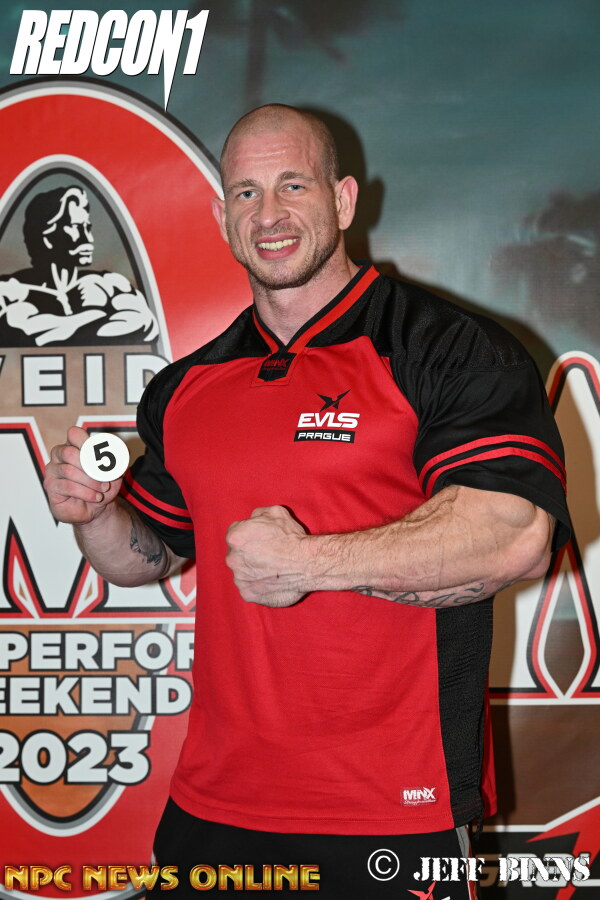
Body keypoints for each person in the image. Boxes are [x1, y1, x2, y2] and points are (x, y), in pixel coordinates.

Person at [44, 105, 570, 898]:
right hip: (214, 804)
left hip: (393, 811)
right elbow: (143, 556)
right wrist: (94, 515)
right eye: (246, 193)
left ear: (344, 200)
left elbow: (514, 533)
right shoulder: (187, 385)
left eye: (293, 185)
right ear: (222, 216)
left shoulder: (446, 348)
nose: (270, 214)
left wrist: (309, 564)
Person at [0, 185, 157, 346]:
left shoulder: (109, 285)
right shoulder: (9, 290)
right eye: (76, 227)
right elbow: (23, 333)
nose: (88, 239)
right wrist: (94, 315)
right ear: (47, 238)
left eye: (87, 228)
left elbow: (146, 324)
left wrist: (69, 326)